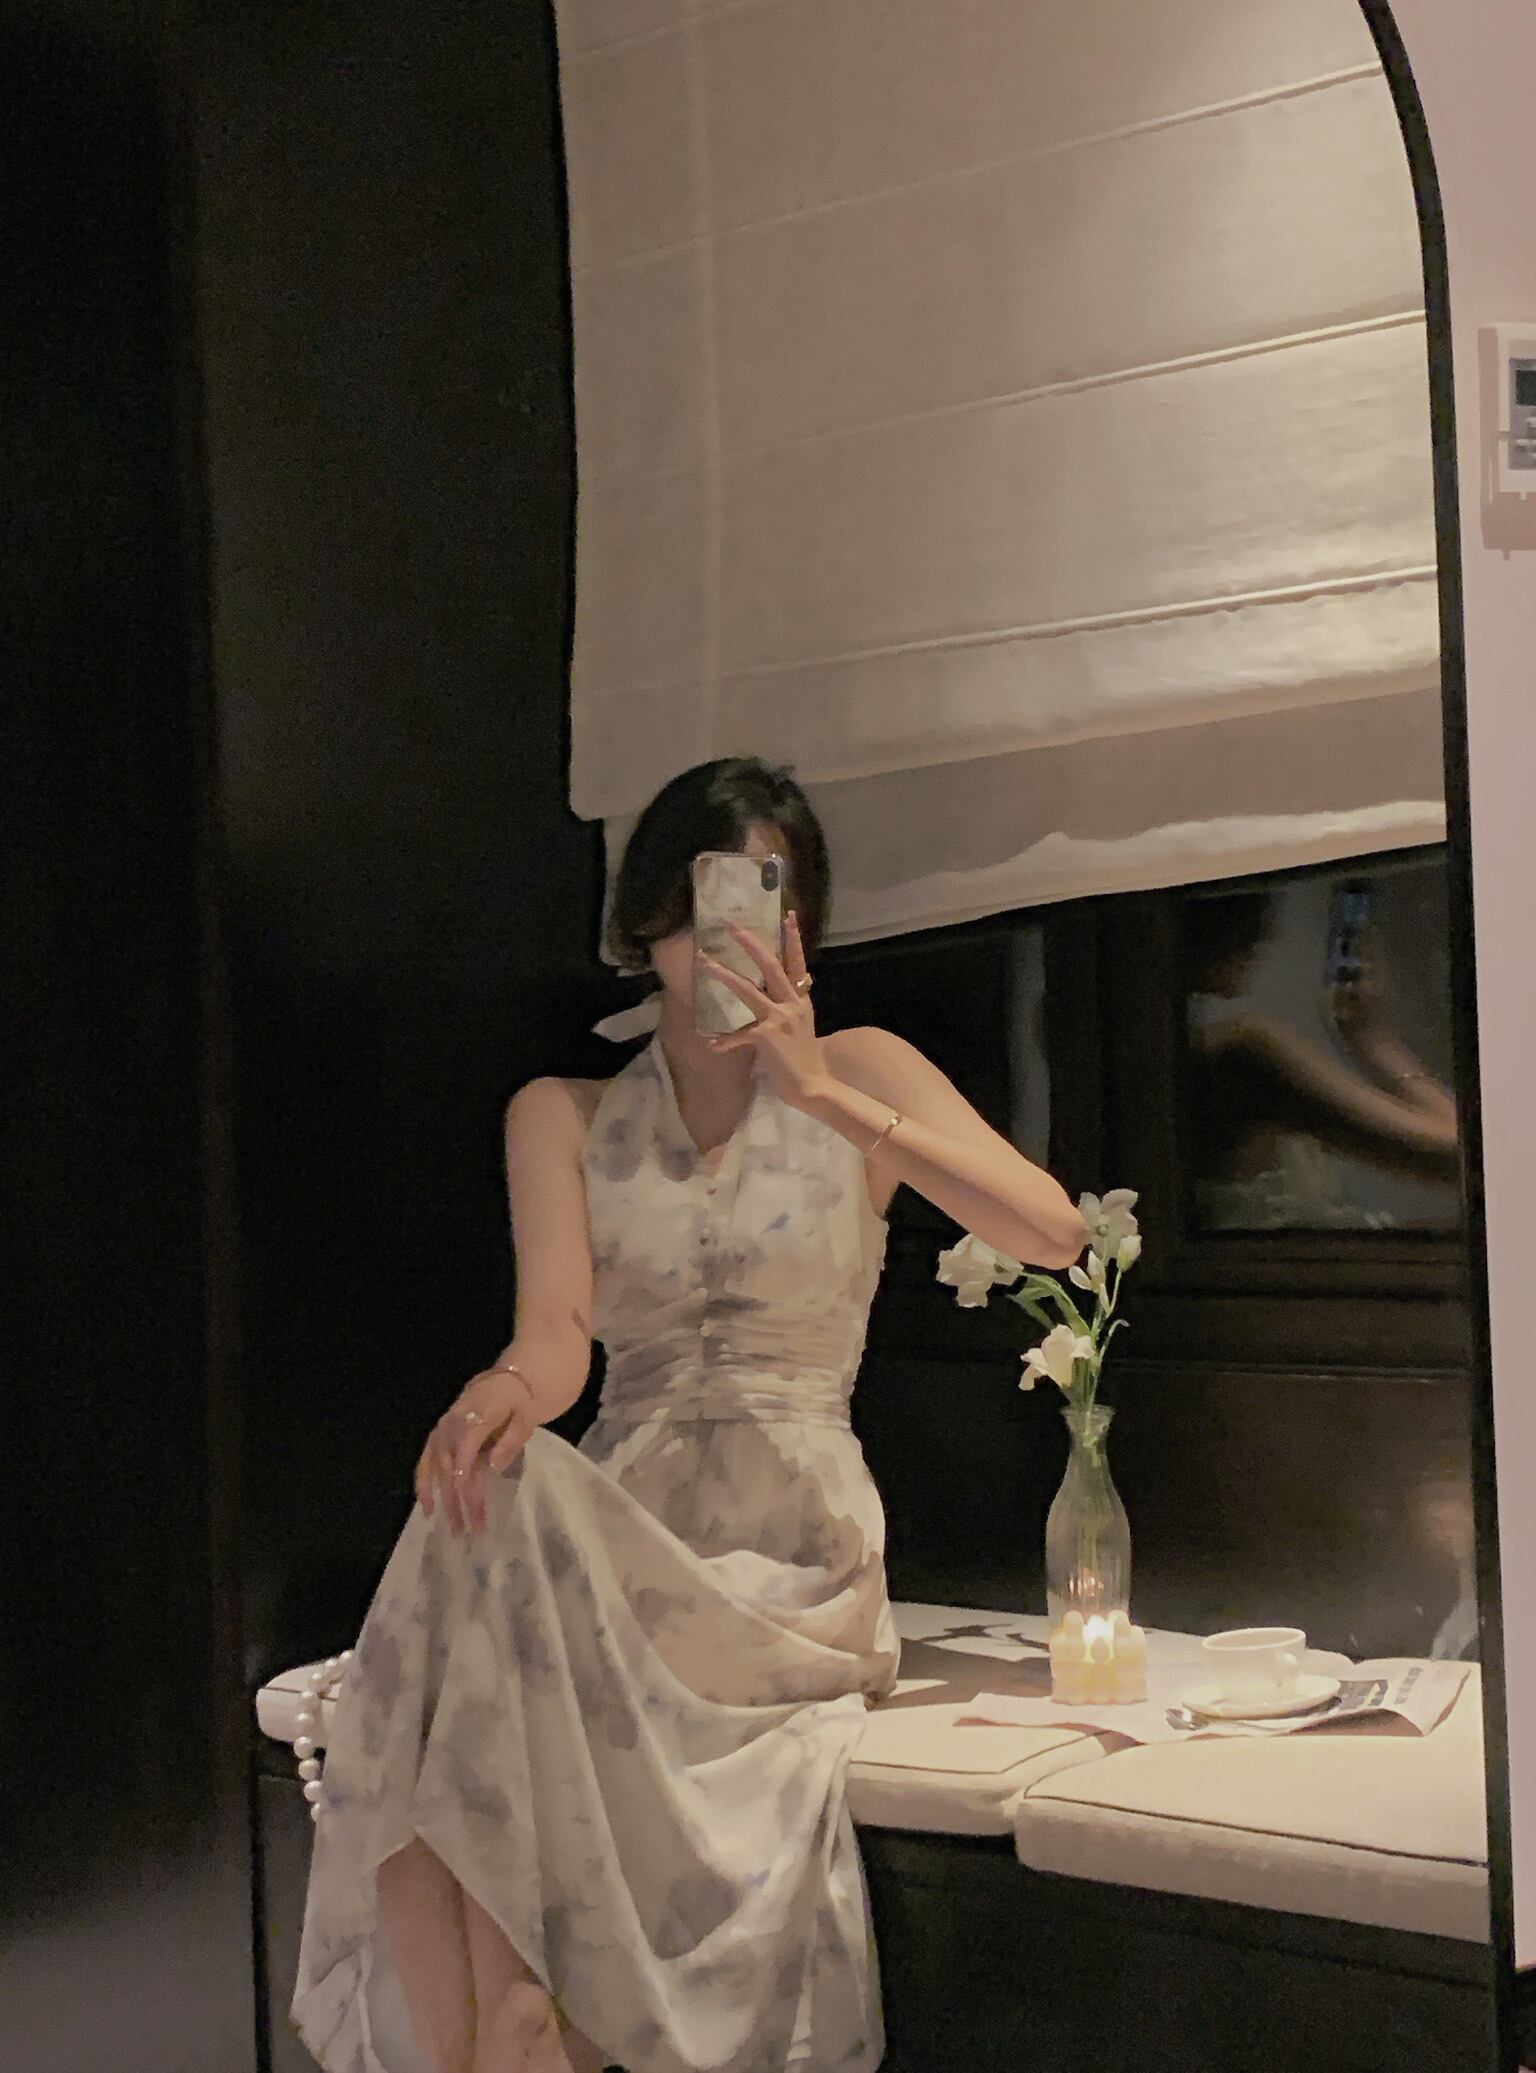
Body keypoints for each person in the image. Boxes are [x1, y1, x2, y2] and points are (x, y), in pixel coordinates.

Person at [290, 756, 1086, 2073]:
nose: (727, 941)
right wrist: (501, 1391)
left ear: (800, 923)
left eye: (766, 899)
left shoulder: (862, 1071)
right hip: (619, 1547)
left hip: (790, 1570)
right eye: (700, 905)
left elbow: (1051, 1232)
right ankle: (519, 2038)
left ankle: (507, 2041)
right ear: (648, 920)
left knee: (474, 1612)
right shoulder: (565, 1112)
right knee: (501, 1486)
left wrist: (820, 1092)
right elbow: (555, 1336)